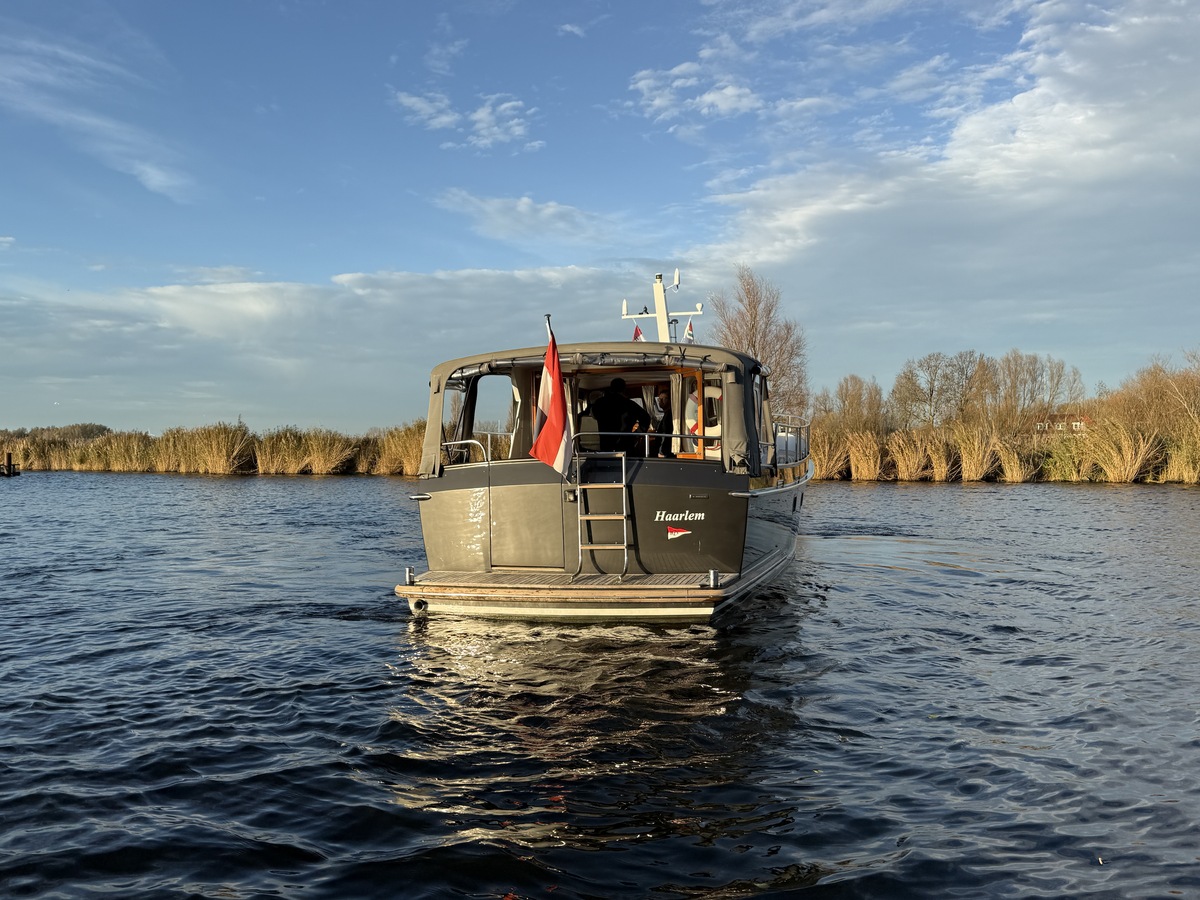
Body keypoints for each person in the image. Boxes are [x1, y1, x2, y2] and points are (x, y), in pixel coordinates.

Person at [584, 378, 651, 453]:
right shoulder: (629, 404)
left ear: (611, 388)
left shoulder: (599, 403)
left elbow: (593, 415)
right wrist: (637, 433)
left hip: (606, 443)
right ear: (624, 389)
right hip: (625, 443)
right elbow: (646, 417)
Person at [649, 387, 676, 458]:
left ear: (670, 400)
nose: (660, 401)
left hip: (666, 452)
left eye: (663, 399)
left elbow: (666, 435)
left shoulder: (670, 416)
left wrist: (662, 451)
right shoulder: (666, 414)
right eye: (659, 399)